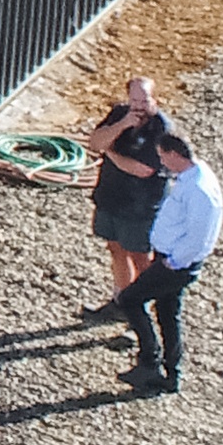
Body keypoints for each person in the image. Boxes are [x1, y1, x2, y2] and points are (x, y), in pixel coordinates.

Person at [109, 130, 221, 394]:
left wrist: (174, 261)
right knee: (169, 314)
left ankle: (150, 359)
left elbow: (198, 236)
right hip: (172, 259)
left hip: (175, 263)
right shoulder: (192, 178)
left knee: (130, 299)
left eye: (163, 157)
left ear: (174, 154)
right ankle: (170, 373)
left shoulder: (198, 190)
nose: (161, 162)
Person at [81, 76, 171, 316]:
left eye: (144, 100)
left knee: (141, 258)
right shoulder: (120, 114)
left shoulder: (161, 129)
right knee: (115, 248)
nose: (138, 106)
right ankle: (121, 300)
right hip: (111, 199)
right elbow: (95, 141)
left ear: (155, 100)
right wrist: (121, 126)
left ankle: (143, 313)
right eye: (134, 100)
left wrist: (110, 152)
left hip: (140, 208)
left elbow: (143, 170)